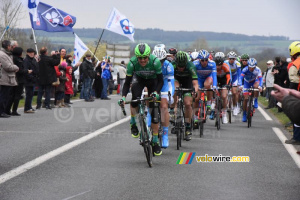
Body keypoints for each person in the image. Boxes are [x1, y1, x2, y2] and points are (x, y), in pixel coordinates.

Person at [118, 43, 164, 156]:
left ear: (149, 56)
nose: (142, 60)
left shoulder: (155, 62)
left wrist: (155, 92)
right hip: (139, 80)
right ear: (136, 57)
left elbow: (161, 81)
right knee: (135, 99)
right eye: (140, 58)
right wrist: (123, 97)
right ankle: (133, 122)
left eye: (145, 58)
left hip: (153, 81)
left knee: (154, 112)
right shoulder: (132, 63)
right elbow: (127, 83)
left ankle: (155, 141)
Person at [171, 51, 198, 141]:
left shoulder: (191, 66)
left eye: (183, 66)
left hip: (187, 82)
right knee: (175, 89)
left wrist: (195, 91)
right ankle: (172, 110)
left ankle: (187, 126)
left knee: (187, 104)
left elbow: (195, 83)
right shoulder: (173, 65)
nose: (181, 68)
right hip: (176, 80)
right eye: (179, 66)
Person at [152, 47, 175, 148]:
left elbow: (171, 84)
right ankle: (149, 117)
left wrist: (170, 95)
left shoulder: (169, 66)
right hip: (153, 84)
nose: (160, 63)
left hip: (165, 86)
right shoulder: (149, 65)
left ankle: (165, 134)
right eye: (158, 61)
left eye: (162, 61)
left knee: (164, 107)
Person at [193, 49, 217, 120]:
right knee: (197, 98)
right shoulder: (195, 64)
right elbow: (192, 77)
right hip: (199, 79)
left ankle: (209, 103)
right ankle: (195, 116)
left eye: (206, 60)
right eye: (202, 60)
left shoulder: (212, 64)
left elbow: (214, 75)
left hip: (208, 77)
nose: (204, 62)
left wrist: (215, 86)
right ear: (199, 60)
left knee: (207, 85)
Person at [238, 58, 263, 122]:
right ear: (248, 65)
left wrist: (260, 86)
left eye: (253, 67)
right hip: (247, 83)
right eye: (250, 67)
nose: (251, 69)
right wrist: (240, 85)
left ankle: (256, 100)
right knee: (245, 99)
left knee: (256, 87)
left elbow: (261, 79)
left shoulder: (258, 70)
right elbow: (240, 78)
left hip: (254, 81)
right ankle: (244, 113)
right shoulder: (245, 69)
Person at [0, 40, 19, 118]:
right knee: (3, 96)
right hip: (4, 78)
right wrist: (16, 67)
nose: (12, 48)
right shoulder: (2, 55)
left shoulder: (7, 54)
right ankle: (1, 111)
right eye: (11, 46)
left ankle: (4, 111)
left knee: (6, 96)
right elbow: (8, 66)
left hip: (8, 78)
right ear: (8, 46)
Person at [5, 47, 25, 116]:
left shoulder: (11, 58)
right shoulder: (18, 60)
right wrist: (27, 71)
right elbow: (20, 70)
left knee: (11, 95)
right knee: (17, 95)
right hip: (19, 79)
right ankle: (14, 110)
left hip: (13, 78)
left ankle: (7, 109)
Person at [214, 52, 231, 123]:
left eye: (219, 65)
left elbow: (228, 78)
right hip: (216, 80)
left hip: (224, 81)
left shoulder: (225, 66)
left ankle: (224, 113)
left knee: (224, 96)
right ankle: (213, 107)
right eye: (217, 64)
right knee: (212, 92)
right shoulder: (213, 66)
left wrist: (227, 85)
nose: (218, 66)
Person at [225, 51, 241, 116]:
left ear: (235, 59)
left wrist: (239, 82)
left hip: (235, 78)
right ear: (228, 58)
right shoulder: (225, 63)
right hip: (227, 77)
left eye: (233, 59)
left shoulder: (237, 64)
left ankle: (235, 106)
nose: (231, 60)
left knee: (234, 92)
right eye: (230, 58)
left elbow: (239, 75)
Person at [23, 48, 39, 113]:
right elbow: (26, 71)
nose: (32, 54)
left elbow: (36, 68)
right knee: (29, 94)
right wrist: (31, 78)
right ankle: (27, 108)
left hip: (33, 79)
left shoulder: (33, 60)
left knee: (31, 94)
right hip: (28, 80)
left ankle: (29, 106)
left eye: (33, 52)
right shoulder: (26, 60)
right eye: (30, 53)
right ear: (27, 53)